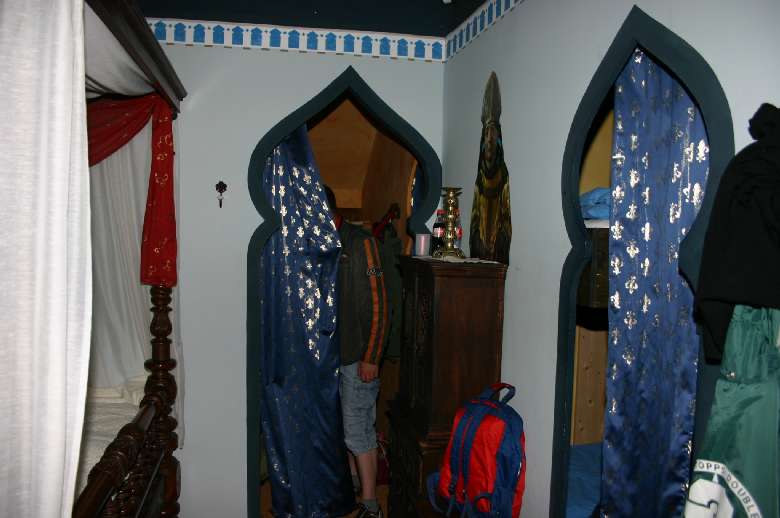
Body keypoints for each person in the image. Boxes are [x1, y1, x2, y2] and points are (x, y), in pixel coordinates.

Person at [324, 185, 388, 518]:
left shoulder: (362, 243)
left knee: (357, 429)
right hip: (333, 356)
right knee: (345, 430)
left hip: (359, 356)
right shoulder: (324, 242)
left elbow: (380, 306)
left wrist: (372, 357)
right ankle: (352, 490)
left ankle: (371, 503)